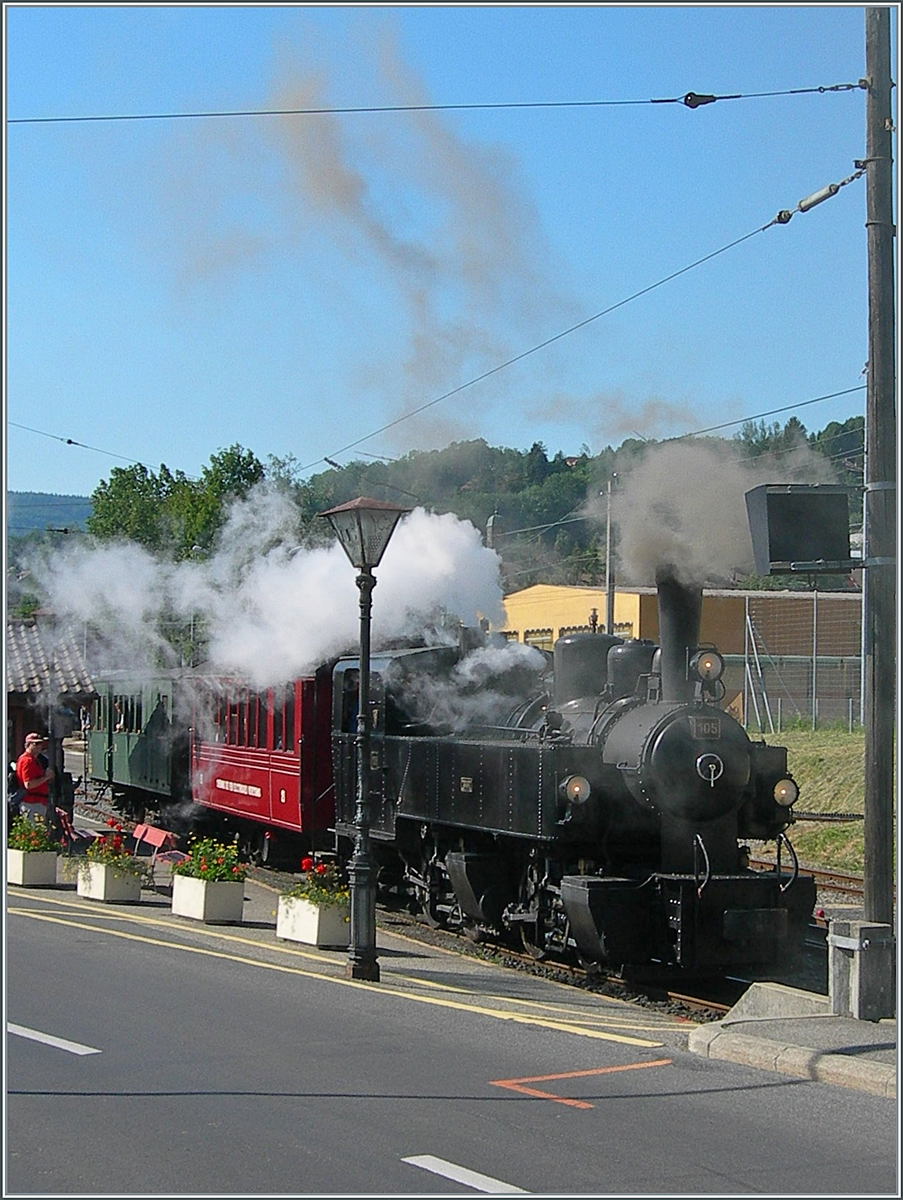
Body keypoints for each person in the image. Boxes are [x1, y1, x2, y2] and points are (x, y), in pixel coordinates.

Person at [14, 732, 55, 824]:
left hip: (36, 802)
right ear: (28, 745)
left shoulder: (34, 759)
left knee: (38, 831)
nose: (39, 746)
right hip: (32, 803)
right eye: (36, 744)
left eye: (40, 743)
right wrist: (45, 777)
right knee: (34, 833)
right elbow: (28, 784)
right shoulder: (27, 761)